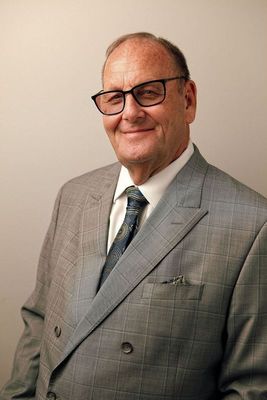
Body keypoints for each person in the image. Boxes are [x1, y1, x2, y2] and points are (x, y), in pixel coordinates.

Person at [1, 32, 267, 400]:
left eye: (149, 92)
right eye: (114, 98)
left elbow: (251, 387)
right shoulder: (73, 195)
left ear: (187, 100)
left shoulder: (253, 225)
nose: (129, 113)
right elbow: (40, 321)